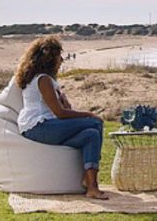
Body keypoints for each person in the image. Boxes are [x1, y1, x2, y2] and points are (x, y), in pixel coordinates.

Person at [15, 36, 108, 199]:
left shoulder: (46, 80)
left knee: (91, 135)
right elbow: (60, 114)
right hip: (38, 127)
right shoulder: (43, 80)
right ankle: (90, 182)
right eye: (59, 56)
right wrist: (88, 114)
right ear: (50, 59)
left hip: (49, 126)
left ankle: (91, 185)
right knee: (94, 122)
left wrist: (66, 104)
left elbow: (63, 111)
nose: (62, 61)